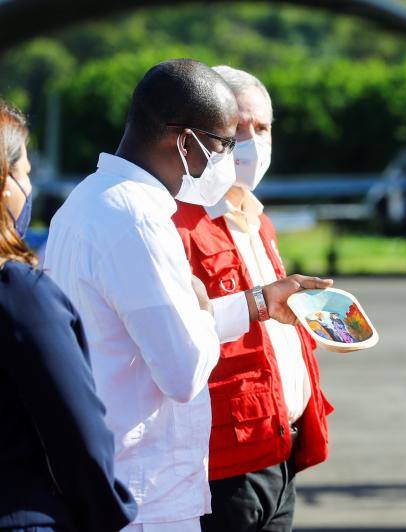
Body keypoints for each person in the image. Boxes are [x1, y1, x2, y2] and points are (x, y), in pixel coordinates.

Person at [43, 59, 331, 532]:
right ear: (184, 141)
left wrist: (254, 304)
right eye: (222, 144)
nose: (228, 158)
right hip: (147, 491)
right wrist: (196, 306)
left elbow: (152, 331)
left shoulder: (90, 201)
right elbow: (184, 370)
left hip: (118, 479)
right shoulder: (140, 222)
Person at [171, 65, 333, 532]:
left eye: (261, 128)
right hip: (223, 463)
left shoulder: (257, 220)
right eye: (238, 128)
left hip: (281, 451)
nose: (251, 141)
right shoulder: (176, 223)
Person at [0, 100, 138, 531]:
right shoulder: (19, 292)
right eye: (24, 173)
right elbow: (78, 436)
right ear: (4, 184)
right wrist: (110, 512)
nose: (29, 187)